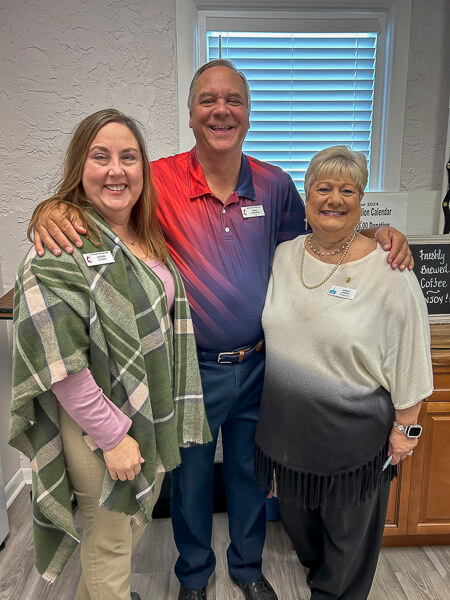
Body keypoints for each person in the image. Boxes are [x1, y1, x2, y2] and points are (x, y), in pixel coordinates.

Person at [29, 61, 413, 600]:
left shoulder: (275, 185)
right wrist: (51, 207)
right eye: (208, 99)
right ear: (190, 115)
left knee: (249, 476)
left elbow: (322, 241)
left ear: (249, 115)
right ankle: (193, 576)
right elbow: (102, 204)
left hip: (262, 365)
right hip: (190, 367)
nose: (221, 109)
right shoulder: (157, 179)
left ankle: (248, 567)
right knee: (189, 481)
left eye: (234, 100)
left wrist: (377, 231)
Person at [9, 108, 211, 600]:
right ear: (81, 165)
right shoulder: (60, 245)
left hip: (149, 413)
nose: (116, 170)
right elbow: (61, 363)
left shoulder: (144, 235)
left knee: (127, 529)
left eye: (129, 157)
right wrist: (113, 436)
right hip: (99, 428)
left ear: (145, 168)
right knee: (110, 547)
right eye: (100, 157)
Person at [255, 145, 433, 600]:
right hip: (288, 436)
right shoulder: (283, 254)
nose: (334, 199)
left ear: (361, 199)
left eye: (347, 190)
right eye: (324, 187)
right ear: (307, 195)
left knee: (347, 540)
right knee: (302, 529)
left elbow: (411, 355)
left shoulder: (390, 271)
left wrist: (405, 430)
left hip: (354, 441)